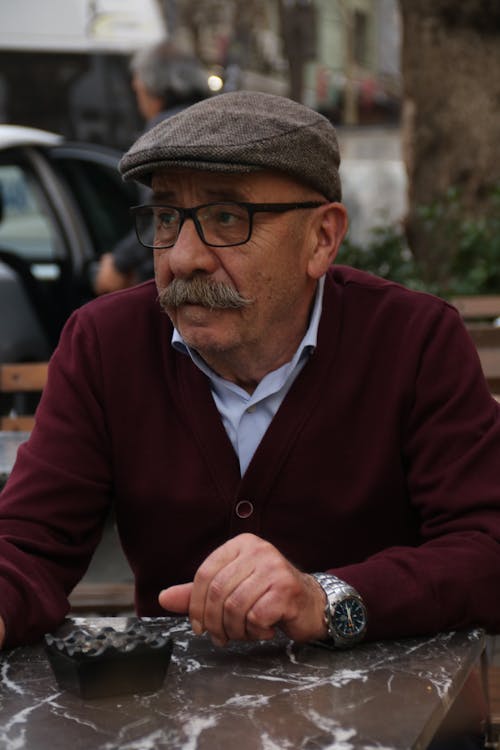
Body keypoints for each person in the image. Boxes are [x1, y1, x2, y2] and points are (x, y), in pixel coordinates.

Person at [1, 91, 500, 658]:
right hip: (176, 722)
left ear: (322, 239)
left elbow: (486, 549)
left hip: (391, 720)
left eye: (226, 217)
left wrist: (323, 599)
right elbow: (29, 542)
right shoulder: (104, 343)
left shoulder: (414, 340)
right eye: (167, 217)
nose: (183, 256)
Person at [93, 39, 210, 295]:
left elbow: (158, 213)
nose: (138, 102)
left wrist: (120, 263)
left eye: (138, 90)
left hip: (171, 281)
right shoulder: (214, 120)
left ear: (154, 87)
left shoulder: (161, 133)